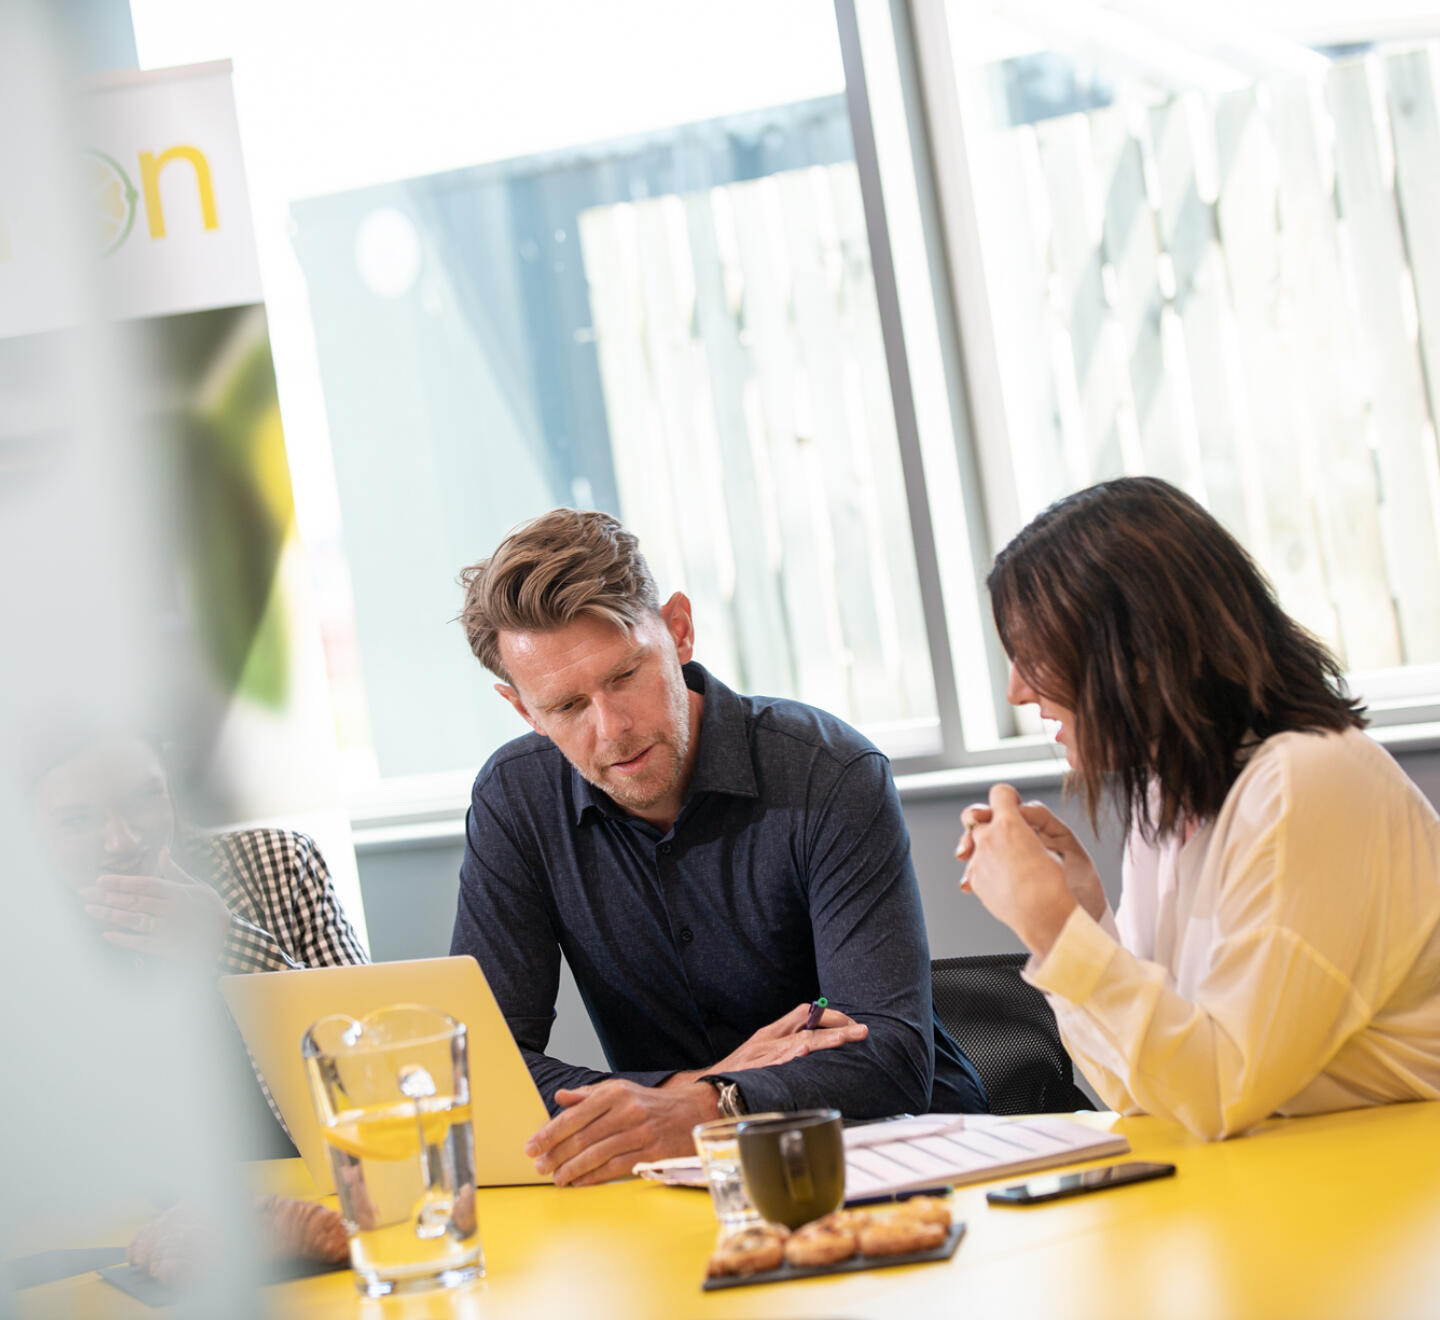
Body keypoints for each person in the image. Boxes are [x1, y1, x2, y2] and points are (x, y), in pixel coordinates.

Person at [451, 509, 985, 1187]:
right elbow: (476, 1063)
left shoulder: (829, 771)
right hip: (681, 1184)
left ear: (677, 630)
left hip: (898, 1163)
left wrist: (704, 1106)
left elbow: (891, 1056)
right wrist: (703, 1096)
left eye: (623, 677)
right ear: (523, 709)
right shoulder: (516, 798)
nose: (611, 730)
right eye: (566, 707)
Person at [956, 476, 1440, 1140]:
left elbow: (1217, 1090)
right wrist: (1084, 917)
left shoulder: (1308, 781)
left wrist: (1055, 931)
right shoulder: (1169, 796)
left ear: (1142, 652)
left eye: (1035, 653)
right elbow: (1141, 1088)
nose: (1016, 688)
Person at [31, 730, 369, 1156]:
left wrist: (230, 943)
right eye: (77, 820)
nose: (122, 842)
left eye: (143, 798)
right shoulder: (26, 941)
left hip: (300, 1184)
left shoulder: (280, 862)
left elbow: (368, 1060)